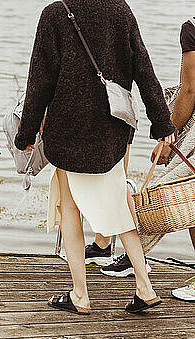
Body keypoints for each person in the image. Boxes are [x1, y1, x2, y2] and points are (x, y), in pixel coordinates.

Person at [15, 0, 176, 314]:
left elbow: (41, 80)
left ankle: (80, 294)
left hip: (70, 130)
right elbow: (143, 67)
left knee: (70, 207)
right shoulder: (120, 9)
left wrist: (27, 133)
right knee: (119, 206)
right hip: (111, 131)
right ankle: (143, 285)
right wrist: (161, 122)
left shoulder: (55, 13)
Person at [101, 17, 195, 283]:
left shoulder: (193, 28)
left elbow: (189, 90)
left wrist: (169, 136)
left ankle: (135, 255)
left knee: (179, 190)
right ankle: (135, 255)